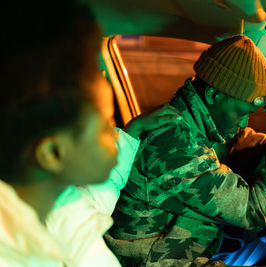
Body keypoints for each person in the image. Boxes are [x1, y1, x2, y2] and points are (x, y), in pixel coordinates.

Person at [107, 35, 266, 266]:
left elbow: (246, 147)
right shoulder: (175, 143)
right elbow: (255, 212)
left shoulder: (195, 121)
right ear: (213, 95)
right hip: (157, 262)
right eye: (241, 114)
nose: (244, 124)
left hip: (192, 246)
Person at [0, 2, 179, 266]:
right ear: (52, 153)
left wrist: (133, 131)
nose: (115, 134)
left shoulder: (58, 202)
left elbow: (95, 199)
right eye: (107, 124)